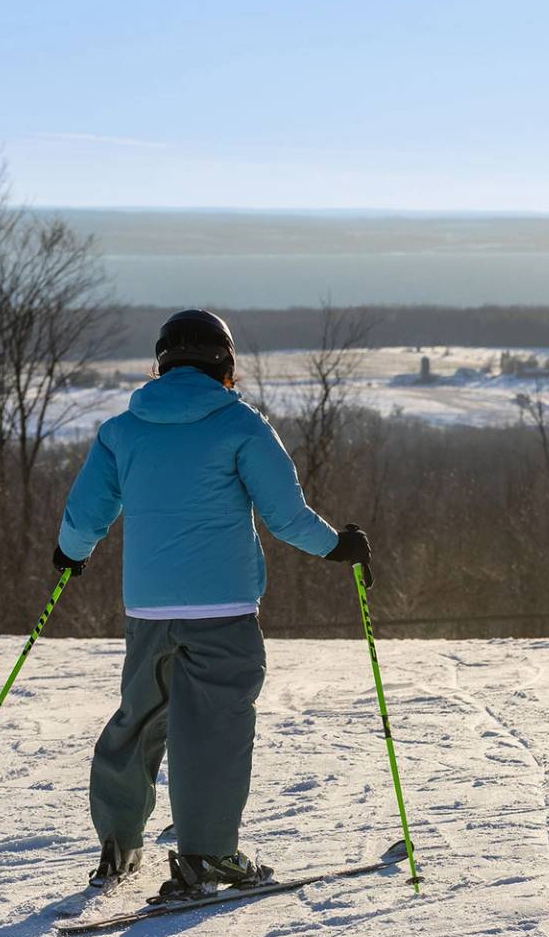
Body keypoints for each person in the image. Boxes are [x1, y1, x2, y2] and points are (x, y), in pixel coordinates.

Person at [52, 308, 373, 898]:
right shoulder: (241, 425)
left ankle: (117, 847)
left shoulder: (123, 430)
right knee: (213, 729)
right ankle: (208, 857)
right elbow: (285, 516)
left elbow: (85, 515)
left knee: (139, 718)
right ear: (224, 363)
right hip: (222, 607)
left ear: (162, 364)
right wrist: (339, 547)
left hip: (147, 609)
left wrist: (70, 553)